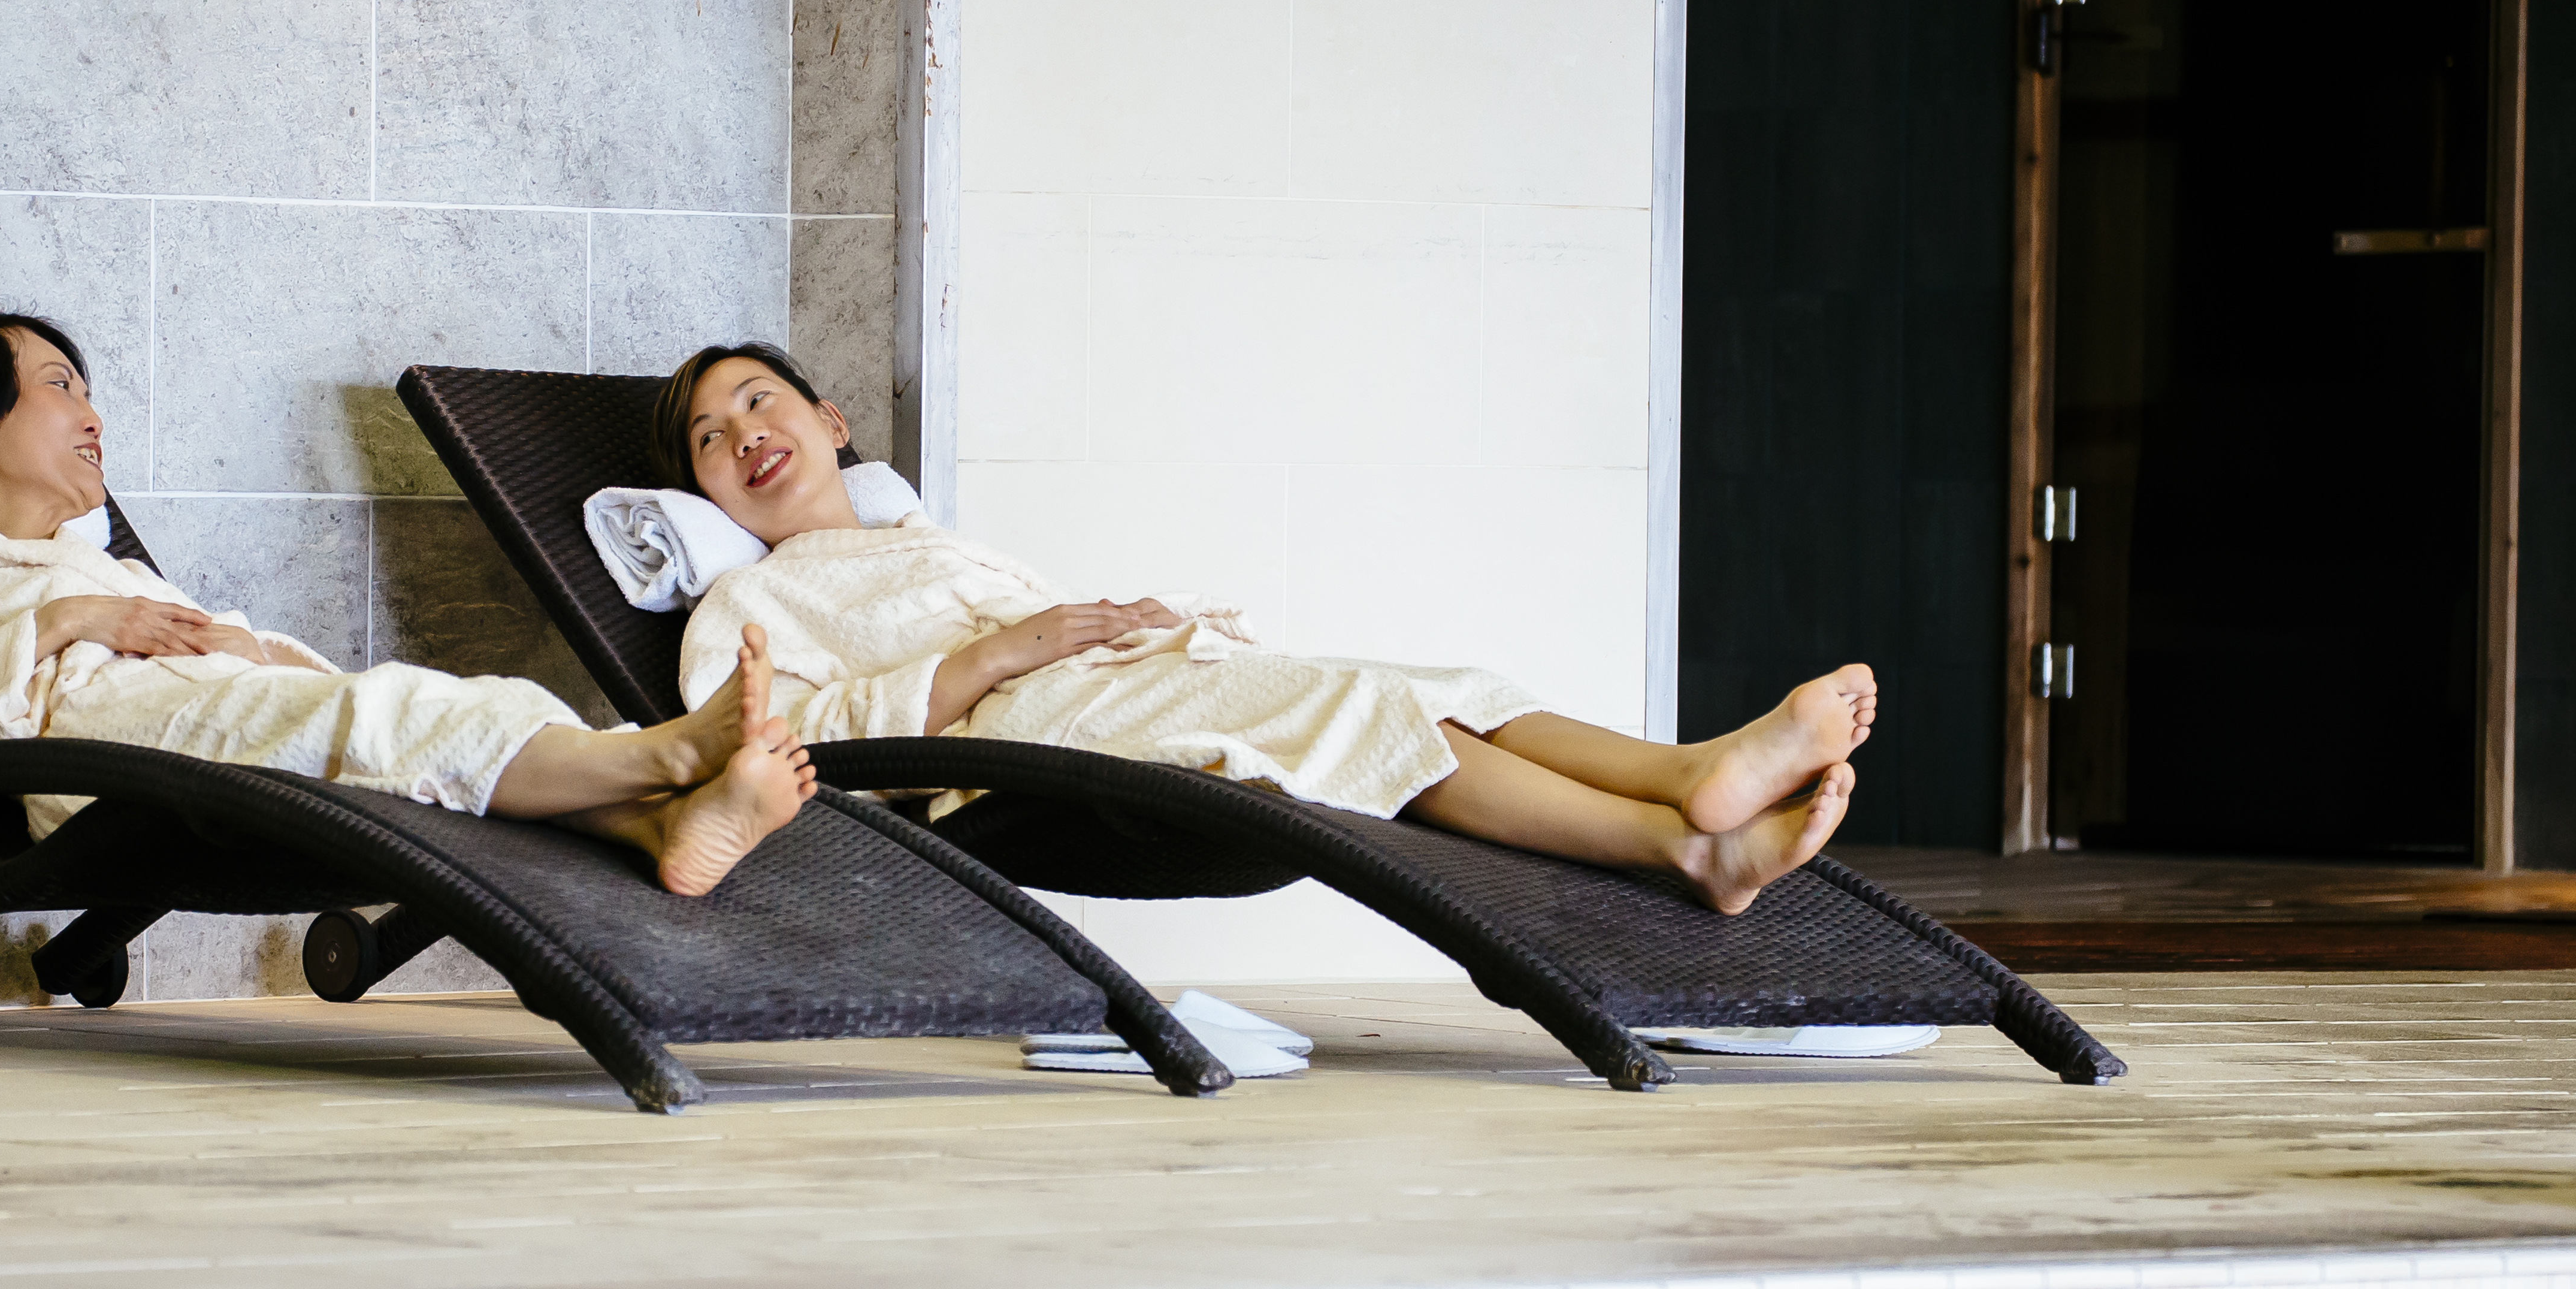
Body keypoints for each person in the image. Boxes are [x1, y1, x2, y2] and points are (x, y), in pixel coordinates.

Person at [653, 341, 1876, 916]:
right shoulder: (744, 603)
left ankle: (1689, 782)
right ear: (704, 493)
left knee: (1438, 681)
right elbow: (774, 748)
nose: (741, 433)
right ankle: (1683, 847)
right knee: (1362, 712)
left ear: (828, 416)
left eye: (757, 400)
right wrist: (1000, 654)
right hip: (1020, 750)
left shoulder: (928, 542)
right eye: (710, 436)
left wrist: (1097, 627)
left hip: (1116, 689)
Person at [0, 304, 809, 896]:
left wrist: (254, 653)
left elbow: (214, 647)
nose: (92, 415)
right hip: (112, 774)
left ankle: (656, 827)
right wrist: (63, 624)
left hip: (201, 735)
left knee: (395, 718)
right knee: (388, 720)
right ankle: (662, 752)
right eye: (58, 385)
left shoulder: (105, 568)